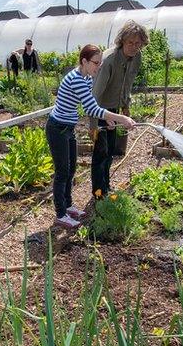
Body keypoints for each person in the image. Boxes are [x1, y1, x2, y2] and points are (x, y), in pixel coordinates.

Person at [47, 44, 136, 229]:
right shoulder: (76, 79)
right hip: (57, 129)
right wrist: (120, 117)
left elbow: (92, 104)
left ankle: (69, 205)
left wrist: (107, 120)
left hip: (67, 128)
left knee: (71, 170)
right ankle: (61, 214)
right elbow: (91, 108)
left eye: (100, 63)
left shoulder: (86, 77)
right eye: (96, 63)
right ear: (84, 61)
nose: (98, 67)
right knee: (62, 172)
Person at [90, 20, 148, 197]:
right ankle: (98, 193)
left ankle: (106, 187)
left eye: (138, 43)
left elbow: (127, 83)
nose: (133, 46)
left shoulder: (136, 58)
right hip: (100, 109)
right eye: (130, 42)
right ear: (122, 41)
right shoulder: (109, 61)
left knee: (111, 151)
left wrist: (125, 106)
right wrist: (93, 125)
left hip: (114, 110)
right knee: (101, 152)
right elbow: (95, 95)